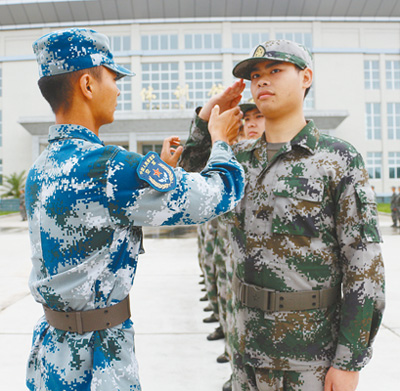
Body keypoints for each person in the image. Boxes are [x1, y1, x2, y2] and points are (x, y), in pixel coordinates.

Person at [25, 27, 245, 391]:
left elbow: (101, 218)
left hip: (51, 353)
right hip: (97, 362)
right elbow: (217, 193)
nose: (118, 88)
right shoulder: (110, 167)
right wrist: (221, 141)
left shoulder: (41, 168)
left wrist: (197, 130)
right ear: (87, 85)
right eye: (113, 78)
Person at [180, 39, 385, 391]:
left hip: (309, 356)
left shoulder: (337, 159)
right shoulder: (238, 160)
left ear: (305, 77)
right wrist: (205, 119)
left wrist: (349, 361)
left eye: (275, 71)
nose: (261, 81)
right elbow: (188, 179)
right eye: (255, 75)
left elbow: (363, 263)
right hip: (246, 349)